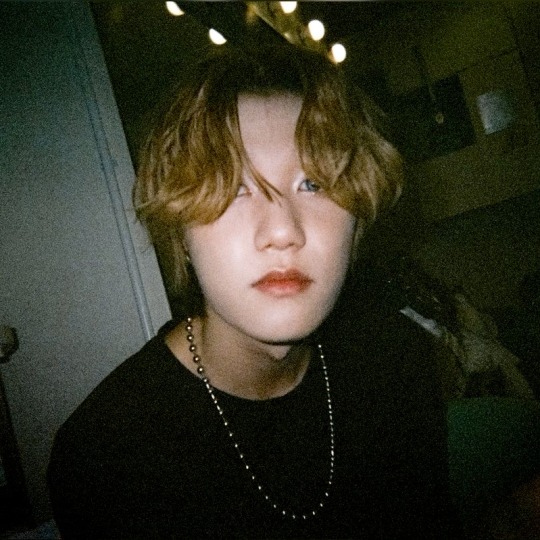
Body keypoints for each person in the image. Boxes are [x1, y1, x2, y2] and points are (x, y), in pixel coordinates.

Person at [47, 44, 461, 538]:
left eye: (313, 183)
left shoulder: (399, 363)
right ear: (180, 228)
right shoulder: (105, 456)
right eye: (233, 187)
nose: (282, 231)